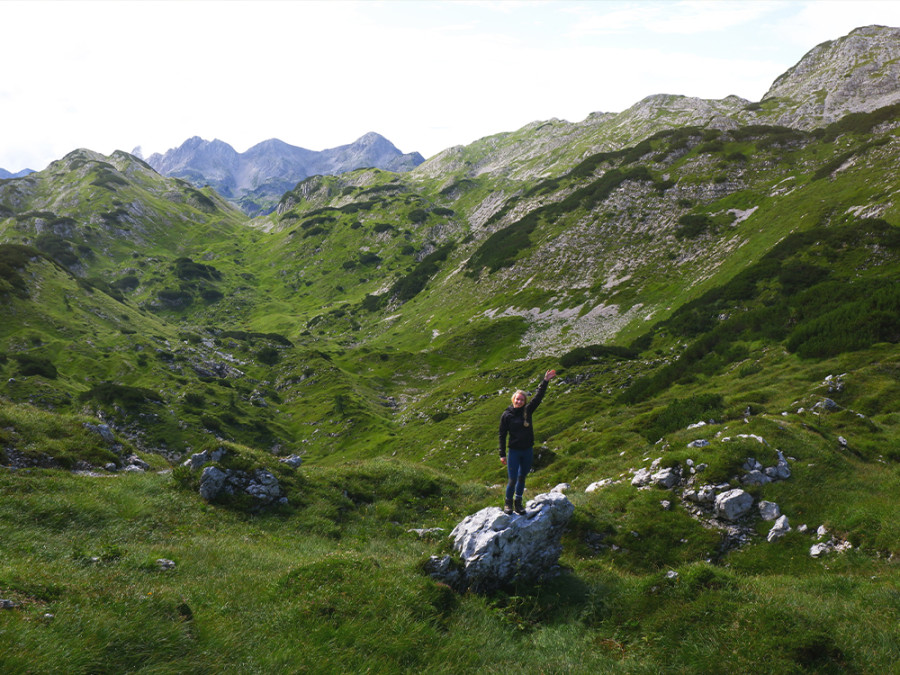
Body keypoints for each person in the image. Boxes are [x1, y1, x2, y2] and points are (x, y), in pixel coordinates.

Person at [498, 369, 557, 515]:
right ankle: (508, 504)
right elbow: (502, 434)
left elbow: (538, 397)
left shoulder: (527, 411)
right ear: (513, 399)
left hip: (527, 450)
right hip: (514, 451)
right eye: (517, 399)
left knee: (522, 477)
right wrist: (502, 454)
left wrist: (545, 381)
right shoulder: (506, 415)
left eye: (522, 400)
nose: (519, 401)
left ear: (524, 402)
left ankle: (518, 503)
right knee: (512, 479)